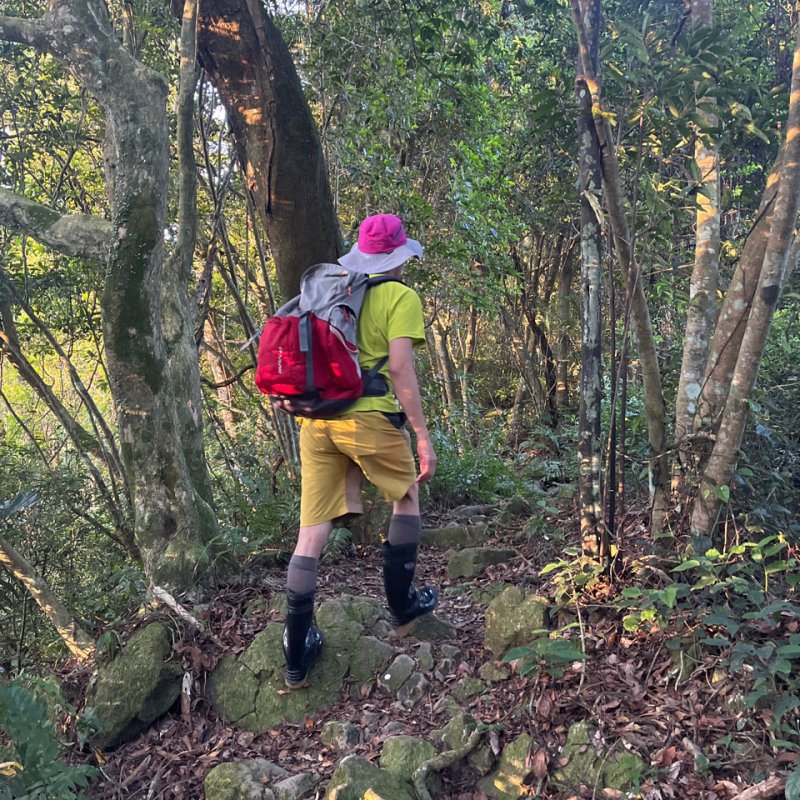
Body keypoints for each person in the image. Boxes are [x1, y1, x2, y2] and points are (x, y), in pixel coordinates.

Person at [282, 213, 438, 689]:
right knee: (406, 496)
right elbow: (400, 368)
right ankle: (403, 606)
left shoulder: (333, 291)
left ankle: (295, 654)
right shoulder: (400, 296)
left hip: (317, 421)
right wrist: (421, 433)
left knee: (312, 531)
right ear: (399, 256)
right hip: (368, 417)